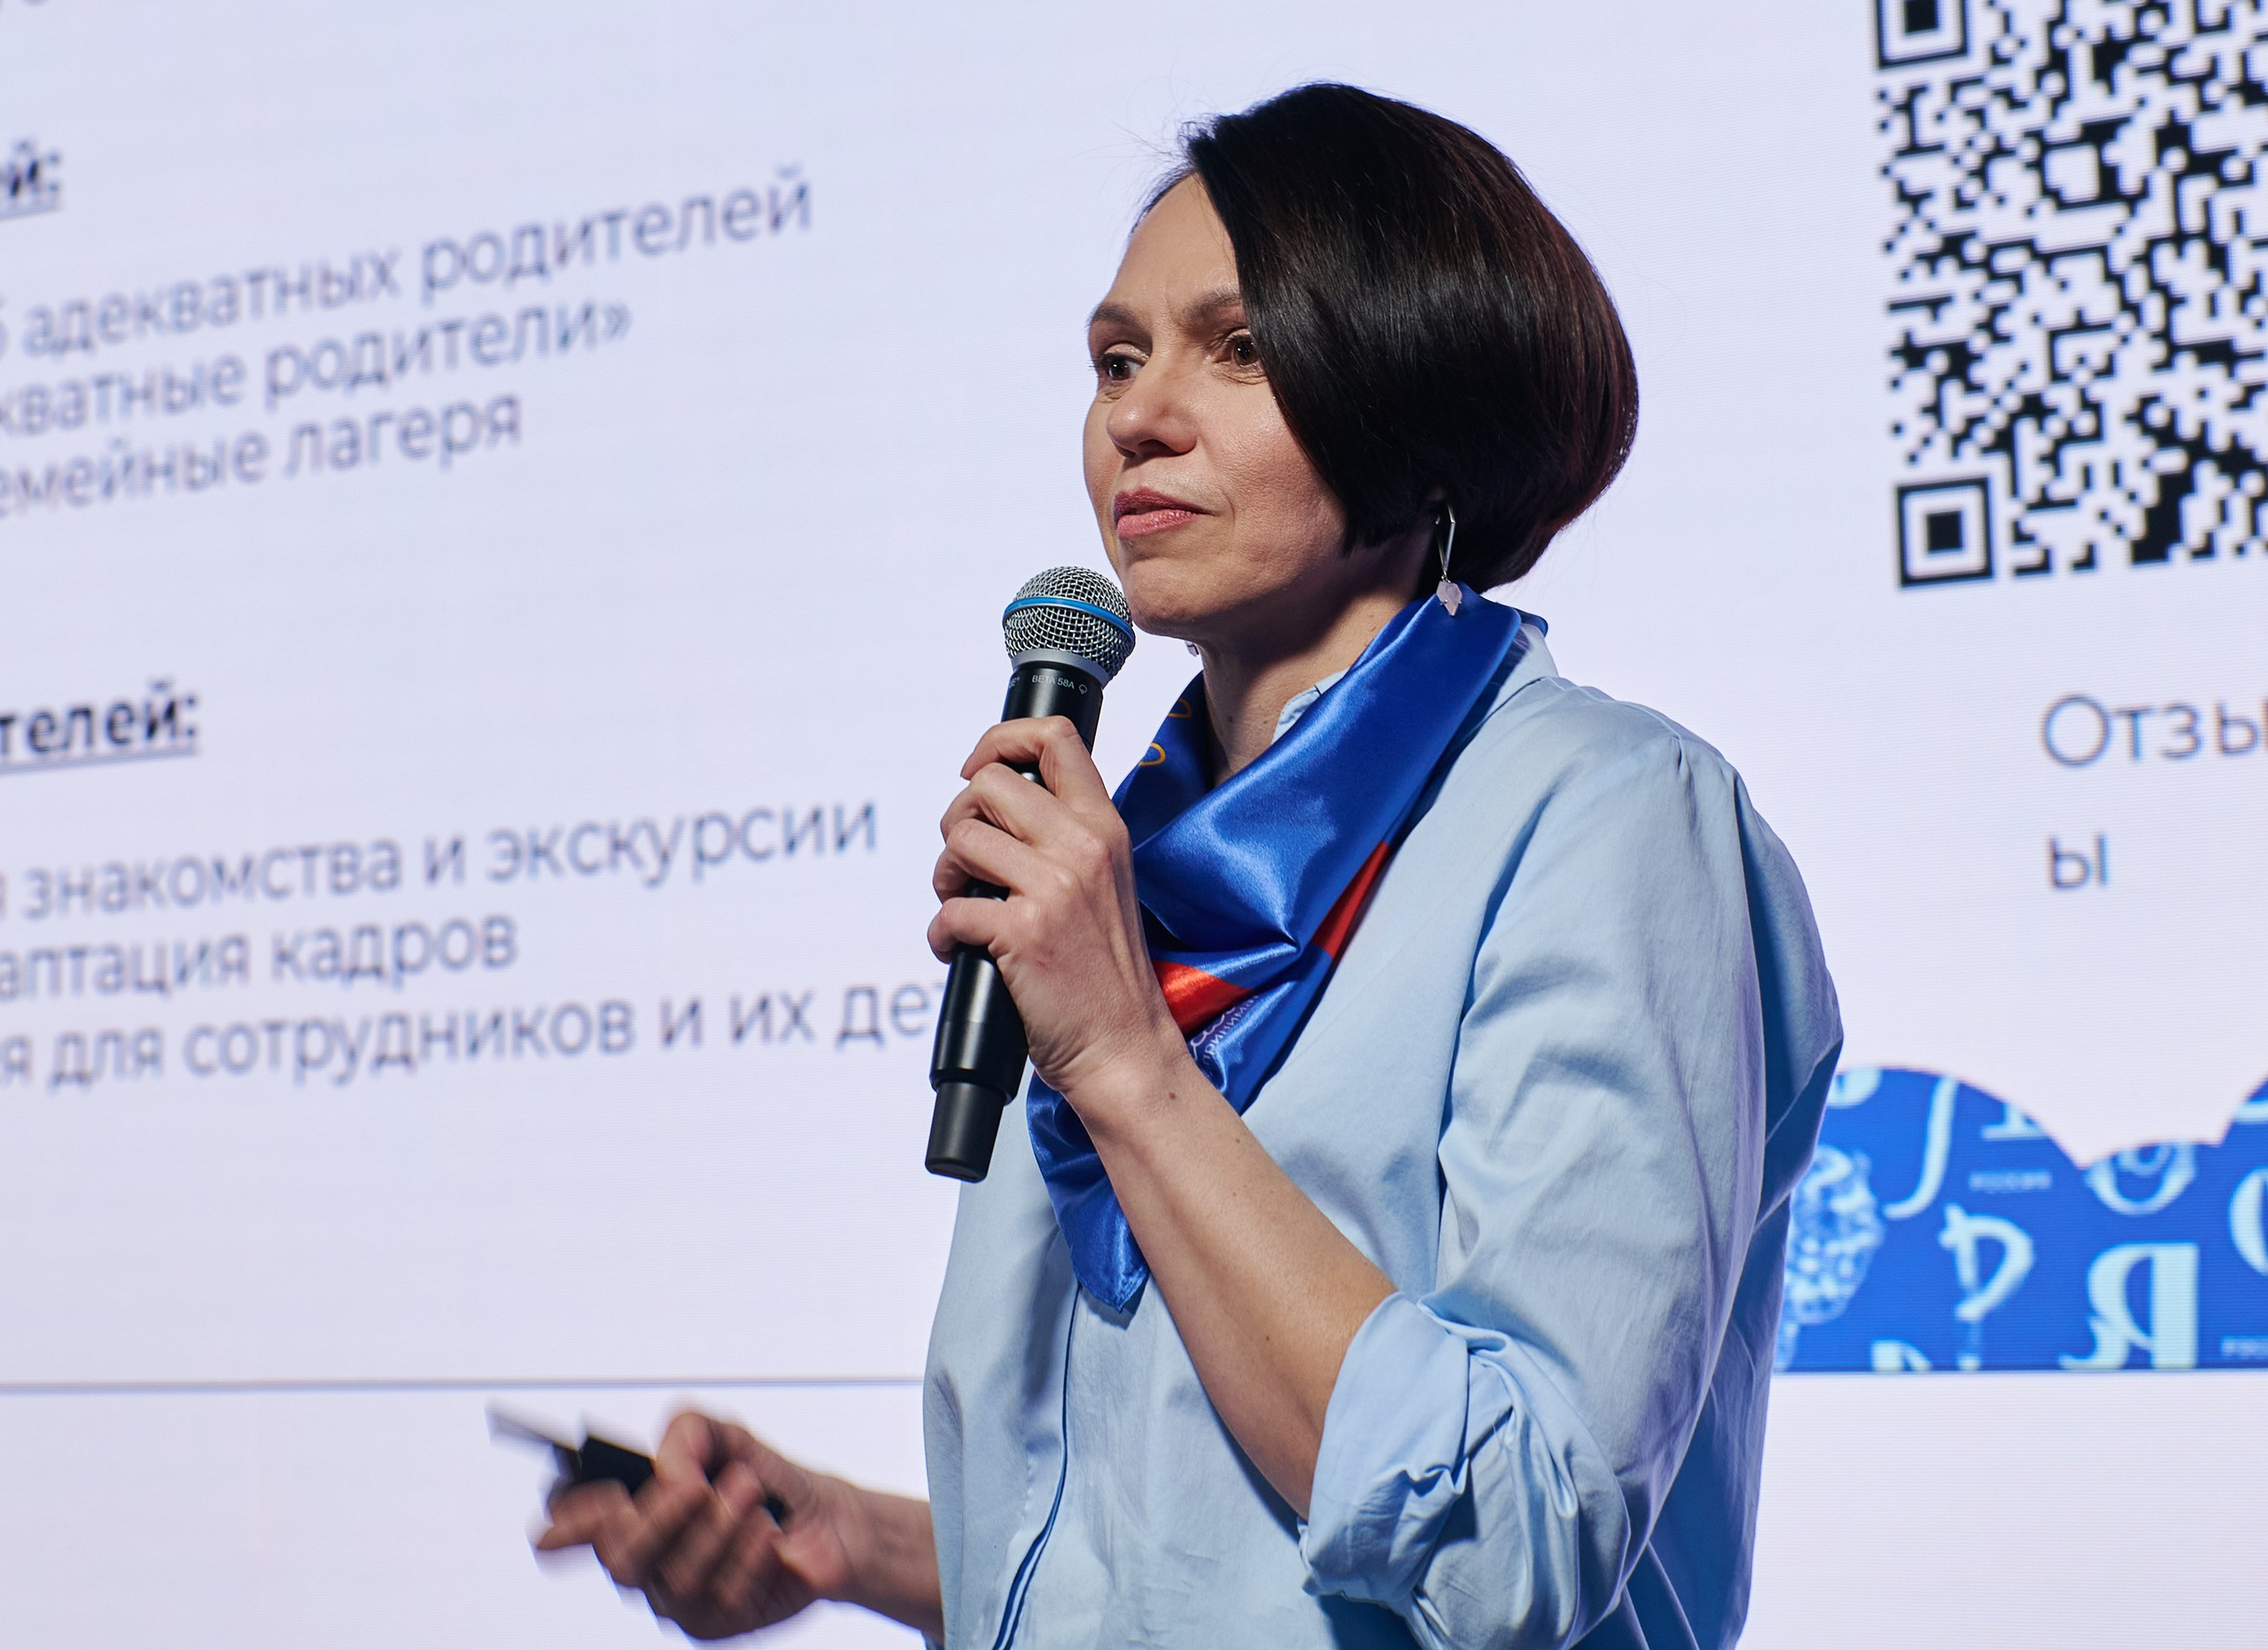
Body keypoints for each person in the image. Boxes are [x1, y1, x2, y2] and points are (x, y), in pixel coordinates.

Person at [538, 83, 1842, 1648]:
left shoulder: (1609, 821)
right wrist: (856, 1546)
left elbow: (1517, 1542)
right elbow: (1214, 1561)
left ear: (1422, 385)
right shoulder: (1122, 872)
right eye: (1116, 359)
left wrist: (1127, 1063)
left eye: (1241, 348)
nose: (1137, 418)